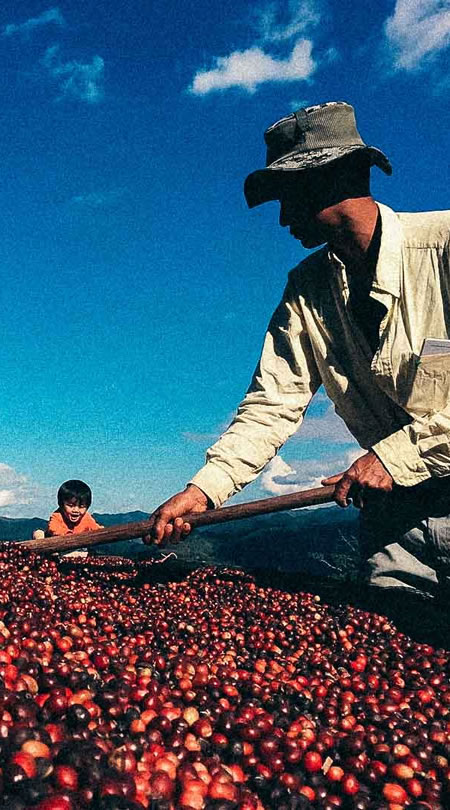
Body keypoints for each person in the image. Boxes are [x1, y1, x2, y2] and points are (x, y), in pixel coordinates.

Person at [148, 101, 450, 610]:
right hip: (396, 521)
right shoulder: (307, 289)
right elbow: (272, 404)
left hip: (408, 477)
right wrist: (204, 491)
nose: (284, 218)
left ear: (334, 180)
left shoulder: (443, 248)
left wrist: (396, 457)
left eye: (289, 196)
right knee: (389, 642)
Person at [32, 479, 104, 556]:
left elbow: (96, 529)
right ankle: (44, 551)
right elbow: (53, 529)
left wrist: (104, 531)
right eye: (70, 505)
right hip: (58, 546)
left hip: (79, 550)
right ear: (61, 504)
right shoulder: (57, 515)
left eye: (81, 506)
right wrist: (68, 535)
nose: (76, 510)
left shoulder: (86, 517)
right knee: (38, 532)